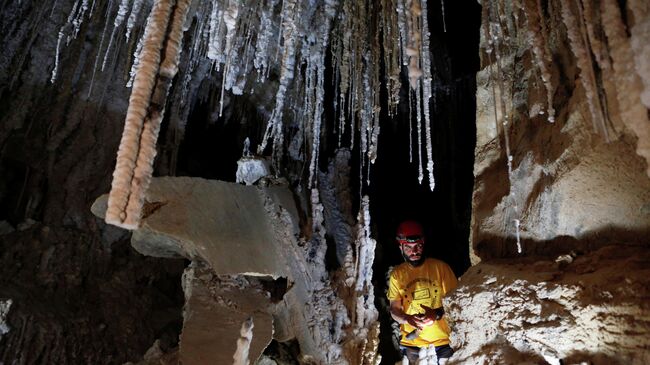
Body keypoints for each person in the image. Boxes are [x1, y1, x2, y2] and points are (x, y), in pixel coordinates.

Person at [387, 220, 458, 364]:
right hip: (412, 343)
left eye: (418, 246)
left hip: (443, 341)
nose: (414, 252)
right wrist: (408, 319)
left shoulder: (441, 268)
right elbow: (394, 309)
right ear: (401, 247)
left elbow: (456, 303)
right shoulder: (397, 275)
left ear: (423, 244)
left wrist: (436, 314)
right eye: (408, 247)